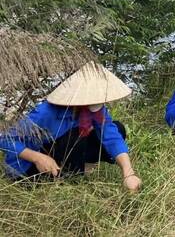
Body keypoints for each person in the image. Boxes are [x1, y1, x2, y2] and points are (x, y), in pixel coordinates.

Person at [0, 62, 142, 192]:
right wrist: (37, 158)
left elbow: (111, 136)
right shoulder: (46, 112)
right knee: (76, 134)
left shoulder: (95, 109)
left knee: (118, 127)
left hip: (59, 153)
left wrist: (128, 173)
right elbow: (5, 139)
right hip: (27, 169)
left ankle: (79, 169)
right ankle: (68, 178)